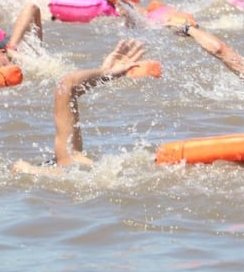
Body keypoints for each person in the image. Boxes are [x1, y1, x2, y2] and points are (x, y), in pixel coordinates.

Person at [12, 39, 147, 173]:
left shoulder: (72, 166)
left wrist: (26, 169)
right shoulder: (76, 165)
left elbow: (67, 85)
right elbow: (66, 86)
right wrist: (104, 73)